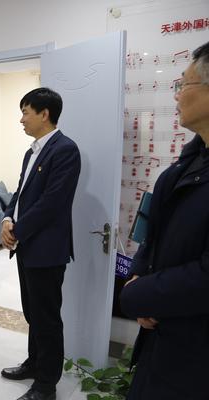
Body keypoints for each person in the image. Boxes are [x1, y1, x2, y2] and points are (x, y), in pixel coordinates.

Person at [120, 41, 209, 400]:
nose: (176, 95)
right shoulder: (184, 166)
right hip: (162, 342)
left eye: (183, 84)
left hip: (196, 354)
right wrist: (139, 277)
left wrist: (139, 294)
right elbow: (151, 234)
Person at [0, 88, 81, 400]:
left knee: (47, 318)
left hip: (47, 249)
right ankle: (34, 364)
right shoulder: (31, 152)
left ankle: (46, 385)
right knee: (33, 313)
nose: (21, 120)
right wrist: (7, 219)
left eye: (25, 112)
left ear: (44, 114)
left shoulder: (65, 150)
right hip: (26, 247)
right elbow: (20, 193)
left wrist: (18, 230)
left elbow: (52, 202)